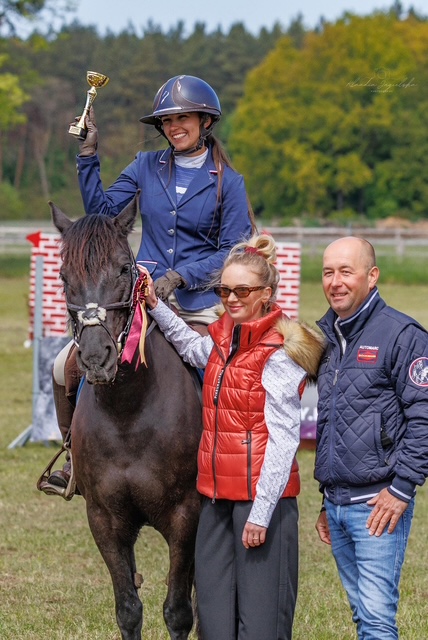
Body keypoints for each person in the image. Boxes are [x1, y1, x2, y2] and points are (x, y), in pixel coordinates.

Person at [45, 74, 254, 493]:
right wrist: (88, 156)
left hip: (198, 301)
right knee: (63, 365)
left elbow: (233, 249)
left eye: (183, 118)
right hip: (139, 297)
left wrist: (182, 275)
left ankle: (222, 457)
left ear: (205, 121)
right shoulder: (145, 166)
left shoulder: (228, 183)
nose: (174, 127)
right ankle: (74, 456)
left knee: (221, 371)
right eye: (168, 120)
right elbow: (105, 214)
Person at [140, 233, 325, 640]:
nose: (231, 298)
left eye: (242, 290)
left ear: (266, 294)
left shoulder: (280, 353)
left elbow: (283, 441)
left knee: (260, 625)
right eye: (224, 290)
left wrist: (260, 514)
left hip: (261, 502)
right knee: (215, 622)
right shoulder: (223, 339)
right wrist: (156, 306)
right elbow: (192, 348)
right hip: (215, 499)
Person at [314, 236, 428, 640]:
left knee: (377, 621)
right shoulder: (326, 337)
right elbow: (334, 424)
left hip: (380, 503)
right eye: (328, 272)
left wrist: (401, 488)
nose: (335, 282)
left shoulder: (402, 334)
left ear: (372, 275)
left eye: (346, 271)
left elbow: (424, 416)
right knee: (363, 617)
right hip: (337, 504)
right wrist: (327, 499)